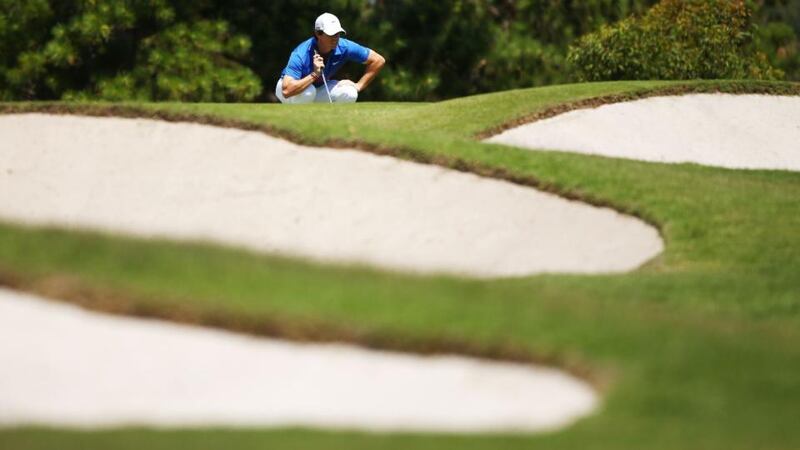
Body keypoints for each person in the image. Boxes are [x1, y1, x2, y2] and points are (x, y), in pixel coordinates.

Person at [276, 13, 385, 104]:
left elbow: (378, 60)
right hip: (290, 90)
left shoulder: (344, 46)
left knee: (350, 93)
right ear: (318, 33)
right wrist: (314, 75)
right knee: (308, 92)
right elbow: (286, 90)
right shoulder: (301, 53)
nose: (336, 38)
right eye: (331, 34)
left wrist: (359, 85)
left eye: (338, 33)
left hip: (318, 88)